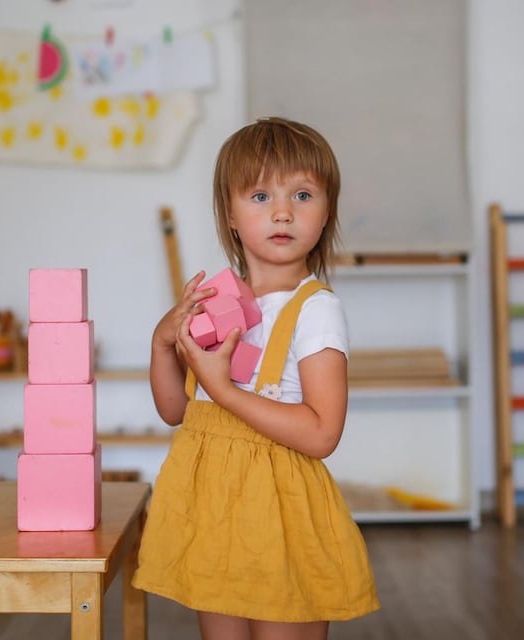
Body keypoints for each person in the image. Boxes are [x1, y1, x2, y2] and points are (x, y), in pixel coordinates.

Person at [132, 117, 379, 639]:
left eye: (304, 194)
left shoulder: (316, 311)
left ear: (326, 209)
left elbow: (321, 434)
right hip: (213, 510)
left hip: (283, 515)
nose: (284, 211)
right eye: (261, 195)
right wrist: (161, 344)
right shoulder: (216, 302)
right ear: (231, 213)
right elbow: (177, 410)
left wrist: (221, 388)